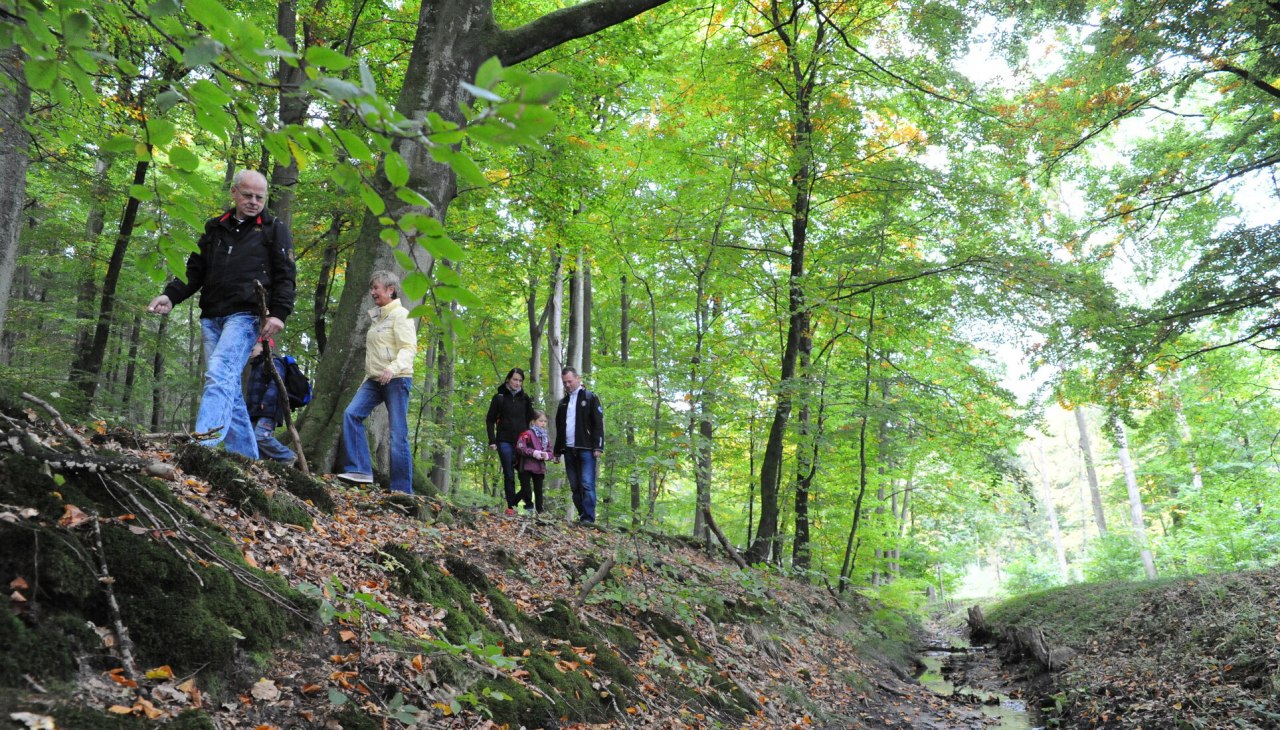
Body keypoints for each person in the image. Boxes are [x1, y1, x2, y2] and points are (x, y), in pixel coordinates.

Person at [147, 169, 296, 458]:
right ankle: (247, 459)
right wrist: (170, 295)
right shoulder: (215, 227)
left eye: (260, 197)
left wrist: (279, 313)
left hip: (247, 314)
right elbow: (194, 271)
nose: (254, 201)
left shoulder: (274, 229)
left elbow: (286, 275)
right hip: (211, 315)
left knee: (218, 373)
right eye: (248, 195)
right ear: (234, 193)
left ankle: (202, 449)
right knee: (228, 385)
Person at [336, 270, 418, 494]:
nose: (372, 292)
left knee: (397, 433)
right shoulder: (378, 317)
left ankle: (402, 490)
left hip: (397, 379)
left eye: (376, 288)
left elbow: (409, 348)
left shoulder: (401, 315)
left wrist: (392, 369)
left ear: (390, 289)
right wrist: (368, 377)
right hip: (373, 380)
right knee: (351, 414)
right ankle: (361, 469)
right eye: (372, 288)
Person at [554, 367, 604, 524]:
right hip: (568, 450)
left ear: (578, 378)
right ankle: (583, 515)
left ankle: (589, 518)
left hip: (587, 449)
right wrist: (557, 451)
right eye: (564, 382)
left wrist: (598, 446)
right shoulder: (563, 403)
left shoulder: (590, 397)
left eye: (570, 381)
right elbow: (559, 428)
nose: (567, 385)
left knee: (587, 484)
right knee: (575, 486)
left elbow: (598, 424)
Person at [485, 367, 536, 515]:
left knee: (526, 475)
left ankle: (519, 503)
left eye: (520, 380)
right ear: (508, 379)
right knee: (509, 474)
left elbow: (530, 420)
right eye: (515, 379)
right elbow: (490, 420)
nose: (517, 383)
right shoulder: (499, 397)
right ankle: (511, 508)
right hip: (504, 441)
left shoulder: (525, 398)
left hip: (522, 443)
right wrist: (492, 440)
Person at [245, 340, 297, 464]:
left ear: (263, 346)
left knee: (261, 437)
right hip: (255, 410)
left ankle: (288, 456)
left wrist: (267, 400)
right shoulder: (256, 365)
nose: (249, 353)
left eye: (252, 349)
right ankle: (264, 466)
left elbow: (276, 383)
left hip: (269, 409)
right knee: (253, 440)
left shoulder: (274, 362)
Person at [515, 411, 553, 515]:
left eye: (545, 421)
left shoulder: (545, 436)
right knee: (526, 488)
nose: (543, 423)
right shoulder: (527, 434)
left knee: (539, 489)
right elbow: (520, 447)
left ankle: (540, 510)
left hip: (539, 467)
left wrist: (547, 455)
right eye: (541, 421)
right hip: (526, 466)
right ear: (533, 421)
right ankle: (528, 508)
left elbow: (550, 451)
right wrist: (533, 452)